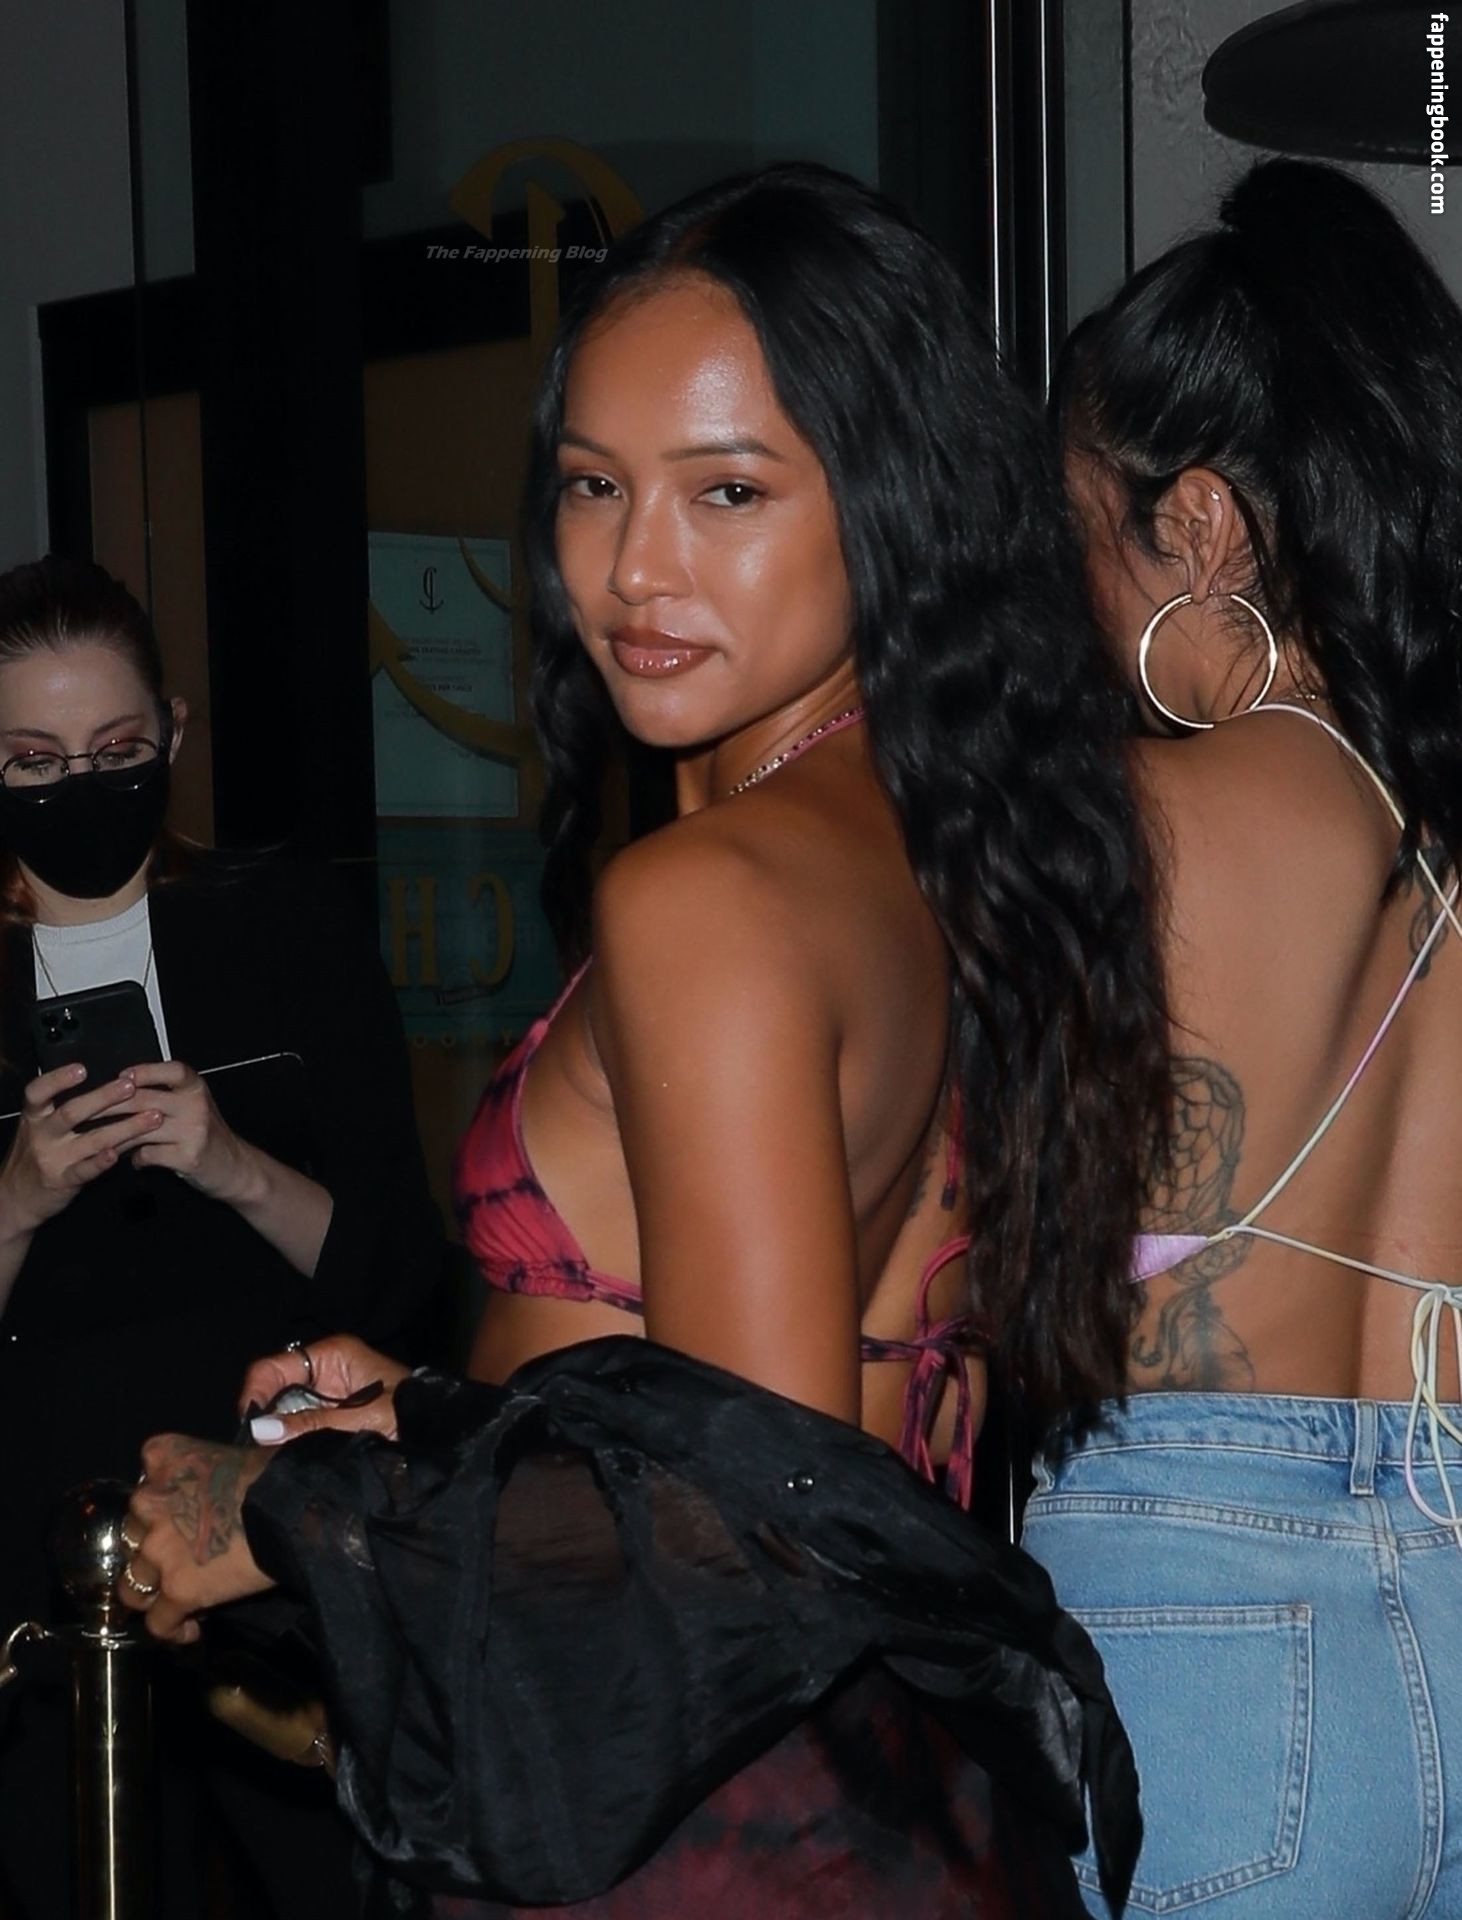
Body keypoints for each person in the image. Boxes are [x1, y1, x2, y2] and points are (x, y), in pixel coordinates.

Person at [119, 164, 1170, 1918]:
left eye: (726, 490)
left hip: (708, 1831)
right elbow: (772, 1409)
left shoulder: (712, 895)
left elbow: (749, 1532)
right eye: (592, 484)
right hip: (876, 1800)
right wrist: (430, 1426)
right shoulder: (944, 848)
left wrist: (283, 1515)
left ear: (888, 501)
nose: (629, 569)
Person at [1018, 158, 1462, 1919]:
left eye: (1078, 532)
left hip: (1197, 1611)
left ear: (1195, 525)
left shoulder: (1131, 826)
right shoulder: (1435, 827)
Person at [0, 556, 442, 1919]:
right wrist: (17, 1196)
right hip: (37, 1563)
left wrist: (233, 1165)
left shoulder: (286, 927)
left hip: (273, 1535)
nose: (80, 787)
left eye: (115, 750)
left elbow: (401, 1275)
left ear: (173, 734)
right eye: (33, 762)